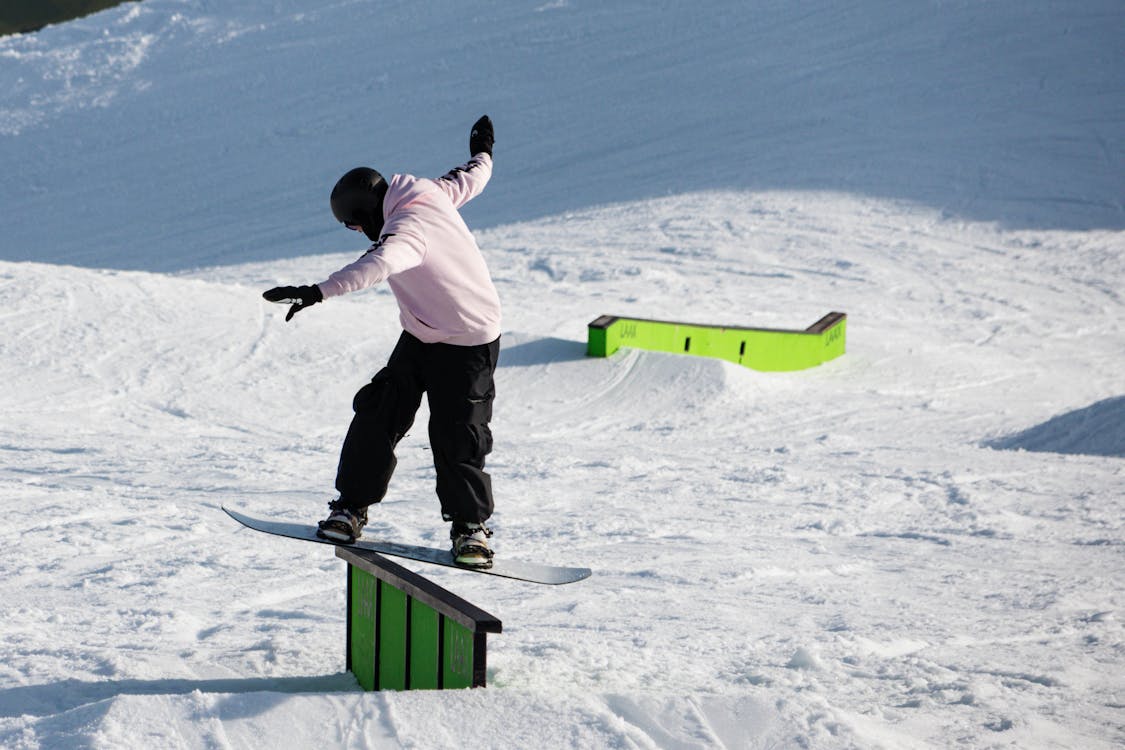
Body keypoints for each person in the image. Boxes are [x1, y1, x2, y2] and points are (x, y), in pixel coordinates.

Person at [262, 116, 501, 568]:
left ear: (366, 214)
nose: (358, 234)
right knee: (378, 412)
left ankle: (471, 529)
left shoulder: (405, 229)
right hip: (421, 332)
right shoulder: (427, 191)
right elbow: (472, 177)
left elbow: (380, 262)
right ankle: (350, 507)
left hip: (468, 341)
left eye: (354, 227)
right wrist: (483, 149)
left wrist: (318, 291)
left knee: (457, 433)